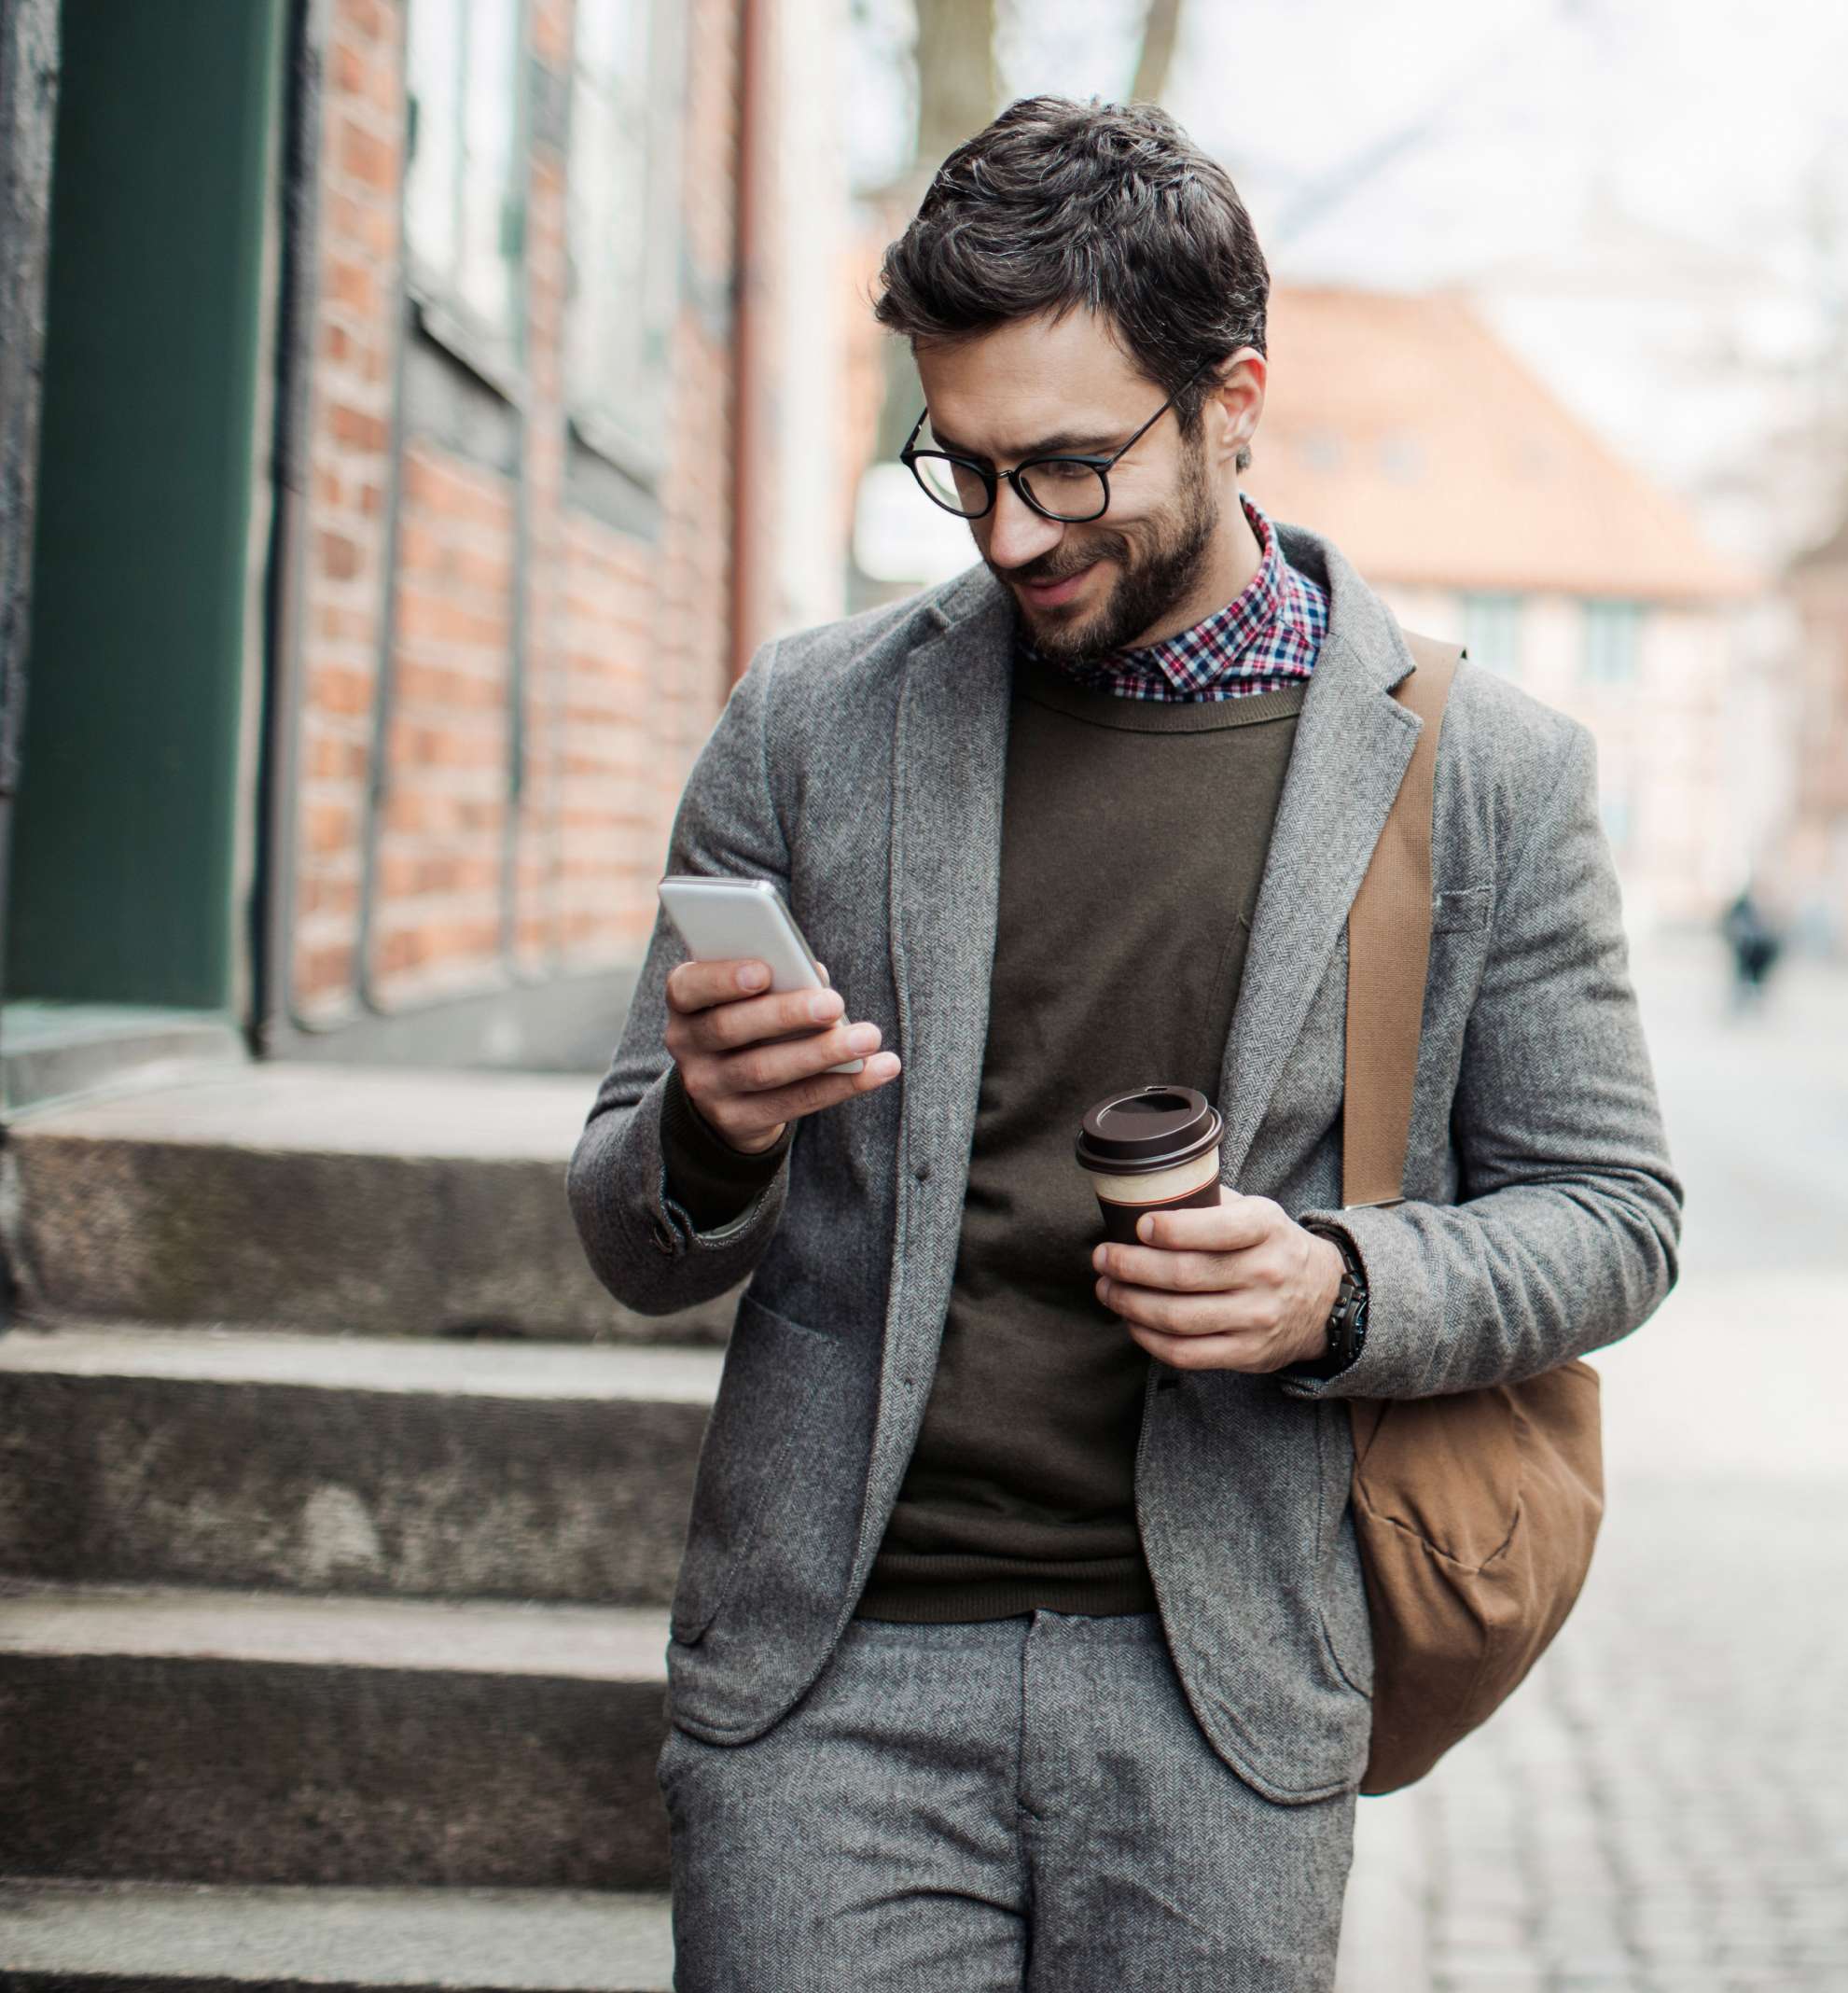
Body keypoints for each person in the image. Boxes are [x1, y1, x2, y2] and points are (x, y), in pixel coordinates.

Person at [566, 97, 1682, 1990]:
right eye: (967, 466)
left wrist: (1336, 1287)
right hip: (833, 1678)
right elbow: (626, 1233)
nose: (1011, 532)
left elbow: (1616, 1217)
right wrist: (710, 1136)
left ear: (1235, 396)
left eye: (1071, 469)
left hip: (1223, 1689)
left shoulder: (1486, 777)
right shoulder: (810, 726)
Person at [1720, 882, 1781, 1014]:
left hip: (1761, 953)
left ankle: (1754, 1002)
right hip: (1745, 950)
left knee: (1756, 981)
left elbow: (1776, 931)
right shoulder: (1742, 906)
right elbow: (1729, 925)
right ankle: (1742, 1003)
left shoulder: (1767, 908)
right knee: (1743, 979)